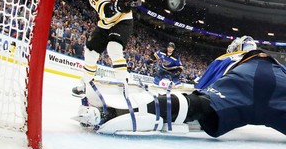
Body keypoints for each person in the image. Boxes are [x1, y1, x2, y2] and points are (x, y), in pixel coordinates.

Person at [74, 47, 286, 138]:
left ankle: (113, 111)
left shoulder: (235, 56)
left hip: (249, 76)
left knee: (199, 106)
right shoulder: (276, 64)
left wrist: (204, 100)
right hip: (279, 88)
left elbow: (202, 88)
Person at [72, 0, 134, 96]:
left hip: (124, 20)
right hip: (106, 22)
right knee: (90, 51)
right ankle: (86, 82)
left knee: (114, 47)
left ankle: (123, 82)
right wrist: (118, 6)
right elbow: (105, 11)